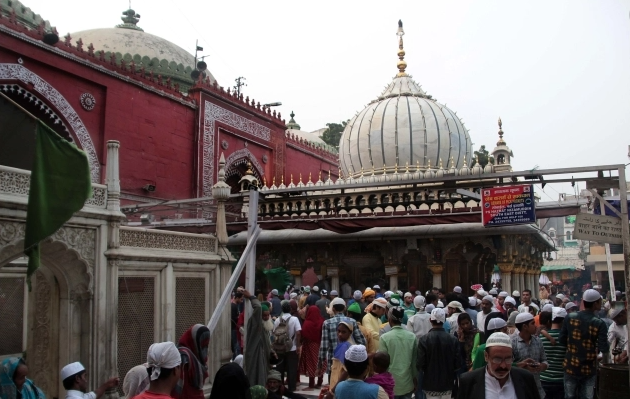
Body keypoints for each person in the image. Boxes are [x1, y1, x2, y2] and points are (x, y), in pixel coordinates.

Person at [559, 289, 609, 399]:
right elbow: (603, 348)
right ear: (595, 303)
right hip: (589, 368)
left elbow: (561, 340)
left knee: (569, 396)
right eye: (600, 301)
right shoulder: (599, 323)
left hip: (570, 366)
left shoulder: (570, 317)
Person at [457, 332, 540, 399]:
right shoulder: (468, 381)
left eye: (508, 359)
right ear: (486, 356)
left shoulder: (525, 378)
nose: (503, 366)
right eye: (497, 359)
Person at [318, 298, 367, 382]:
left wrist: (320, 364)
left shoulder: (327, 323)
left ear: (333, 309)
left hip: (334, 364)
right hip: (350, 365)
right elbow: (362, 341)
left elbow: (324, 346)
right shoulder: (352, 321)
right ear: (344, 308)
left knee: (333, 388)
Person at [417, 308, 460, 399]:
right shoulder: (453, 339)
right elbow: (457, 363)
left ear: (430, 320)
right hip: (447, 382)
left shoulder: (424, 339)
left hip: (430, 382)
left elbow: (420, 363)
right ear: (444, 320)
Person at [379, 306, 418, 399]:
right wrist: (415, 380)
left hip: (390, 385)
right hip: (407, 384)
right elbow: (414, 363)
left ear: (389, 319)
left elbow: (382, 364)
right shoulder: (412, 337)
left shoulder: (384, 338)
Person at [511, 312, 548, 399]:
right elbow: (509, 367)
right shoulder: (512, 343)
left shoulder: (538, 341)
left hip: (537, 389)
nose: (535, 326)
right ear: (525, 326)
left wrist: (542, 366)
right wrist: (523, 366)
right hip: (519, 389)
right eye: (532, 323)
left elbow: (545, 360)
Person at [171, 324, 209, 399]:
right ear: (195, 340)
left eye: (206, 345)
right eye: (202, 343)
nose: (204, 349)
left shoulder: (196, 355)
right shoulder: (183, 357)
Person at [243, 289, 271, 387]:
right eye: (264, 315)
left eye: (268, 315)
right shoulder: (256, 325)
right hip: (256, 358)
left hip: (264, 360)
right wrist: (251, 297)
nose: (266, 317)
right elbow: (258, 307)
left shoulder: (266, 327)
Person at [273, 300, 302, 392]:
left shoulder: (277, 319)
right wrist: (297, 345)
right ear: (290, 309)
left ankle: (279, 387)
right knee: (291, 369)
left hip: (279, 348)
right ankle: (291, 388)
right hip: (292, 348)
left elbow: (274, 333)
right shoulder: (294, 319)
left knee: (279, 369)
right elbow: (298, 333)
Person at [540, 307, 567, 399]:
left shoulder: (541, 338)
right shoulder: (567, 339)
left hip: (543, 378)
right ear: (563, 321)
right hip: (561, 380)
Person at [299, 306, 326, 390]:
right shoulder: (322, 321)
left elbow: (303, 334)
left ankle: (311, 384)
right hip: (320, 345)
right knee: (320, 362)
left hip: (310, 346)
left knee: (311, 363)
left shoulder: (307, 323)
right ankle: (319, 383)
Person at [329, 321, 355, 391]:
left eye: (344, 332)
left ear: (350, 333)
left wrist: (333, 390)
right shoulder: (344, 344)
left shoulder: (345, 346)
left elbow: (346, 371)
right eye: (339, 331)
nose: (340, 334)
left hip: (339, 383)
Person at [231, 291, 243, 359]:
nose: (241, 301)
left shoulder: (235, 306)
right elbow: (233, 318)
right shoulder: (234, 307)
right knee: (235, 345)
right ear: (237, 298)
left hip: (234, 328)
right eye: (241, 299)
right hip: (233, 328)